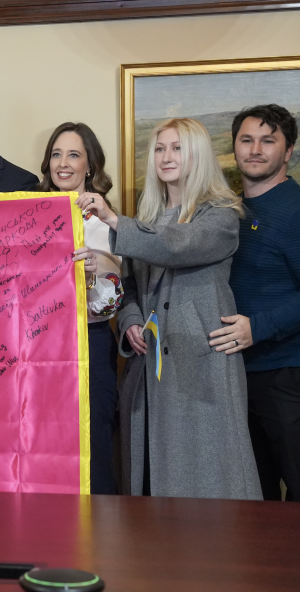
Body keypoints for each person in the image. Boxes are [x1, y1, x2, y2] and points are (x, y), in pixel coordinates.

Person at [81, 117, 261, 500]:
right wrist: (130, 320)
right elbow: (129, 285)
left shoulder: (221, 215)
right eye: (160, 148)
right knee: (151, 485)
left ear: (197, 154)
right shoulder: (148, 217)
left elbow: (178, 245)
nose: (166, 156)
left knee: (211, 484)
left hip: (202, 368)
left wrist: (112, 219)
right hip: (148, 370)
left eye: (177, 148)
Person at [208, 104, 300, 501]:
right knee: (253, 500)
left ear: (289, 150)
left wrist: (257, 328)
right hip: (235, 376)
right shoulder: (228, 211)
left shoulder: (295, 209)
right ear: (234, 148)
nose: (256, 149)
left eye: (268, 141)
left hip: (286, 376)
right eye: (247, 140)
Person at [38, 122, 123, 494]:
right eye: (56, 154)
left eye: (73, 155)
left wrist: (93, 275)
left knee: (93, 447)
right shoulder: (29, 214)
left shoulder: (106, 220)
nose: (63, 163)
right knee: (45, 447)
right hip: (39, 348)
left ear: (90, 165)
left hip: (90, 343)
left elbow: (114, 301)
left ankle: (101, 529)